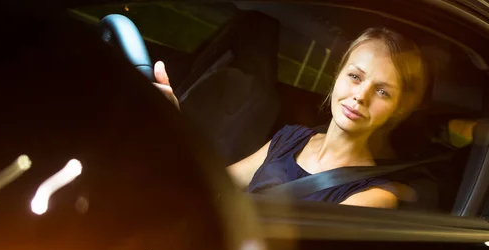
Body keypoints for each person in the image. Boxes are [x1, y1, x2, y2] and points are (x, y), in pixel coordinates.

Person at [153, 28, 428, 208]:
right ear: (337, 76)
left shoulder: (375, 195)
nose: (360, 96)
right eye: (355, 76)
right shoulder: (291, 138)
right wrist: (173, 124)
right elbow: (211, 183)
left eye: (382, 92)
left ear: (398, 109)